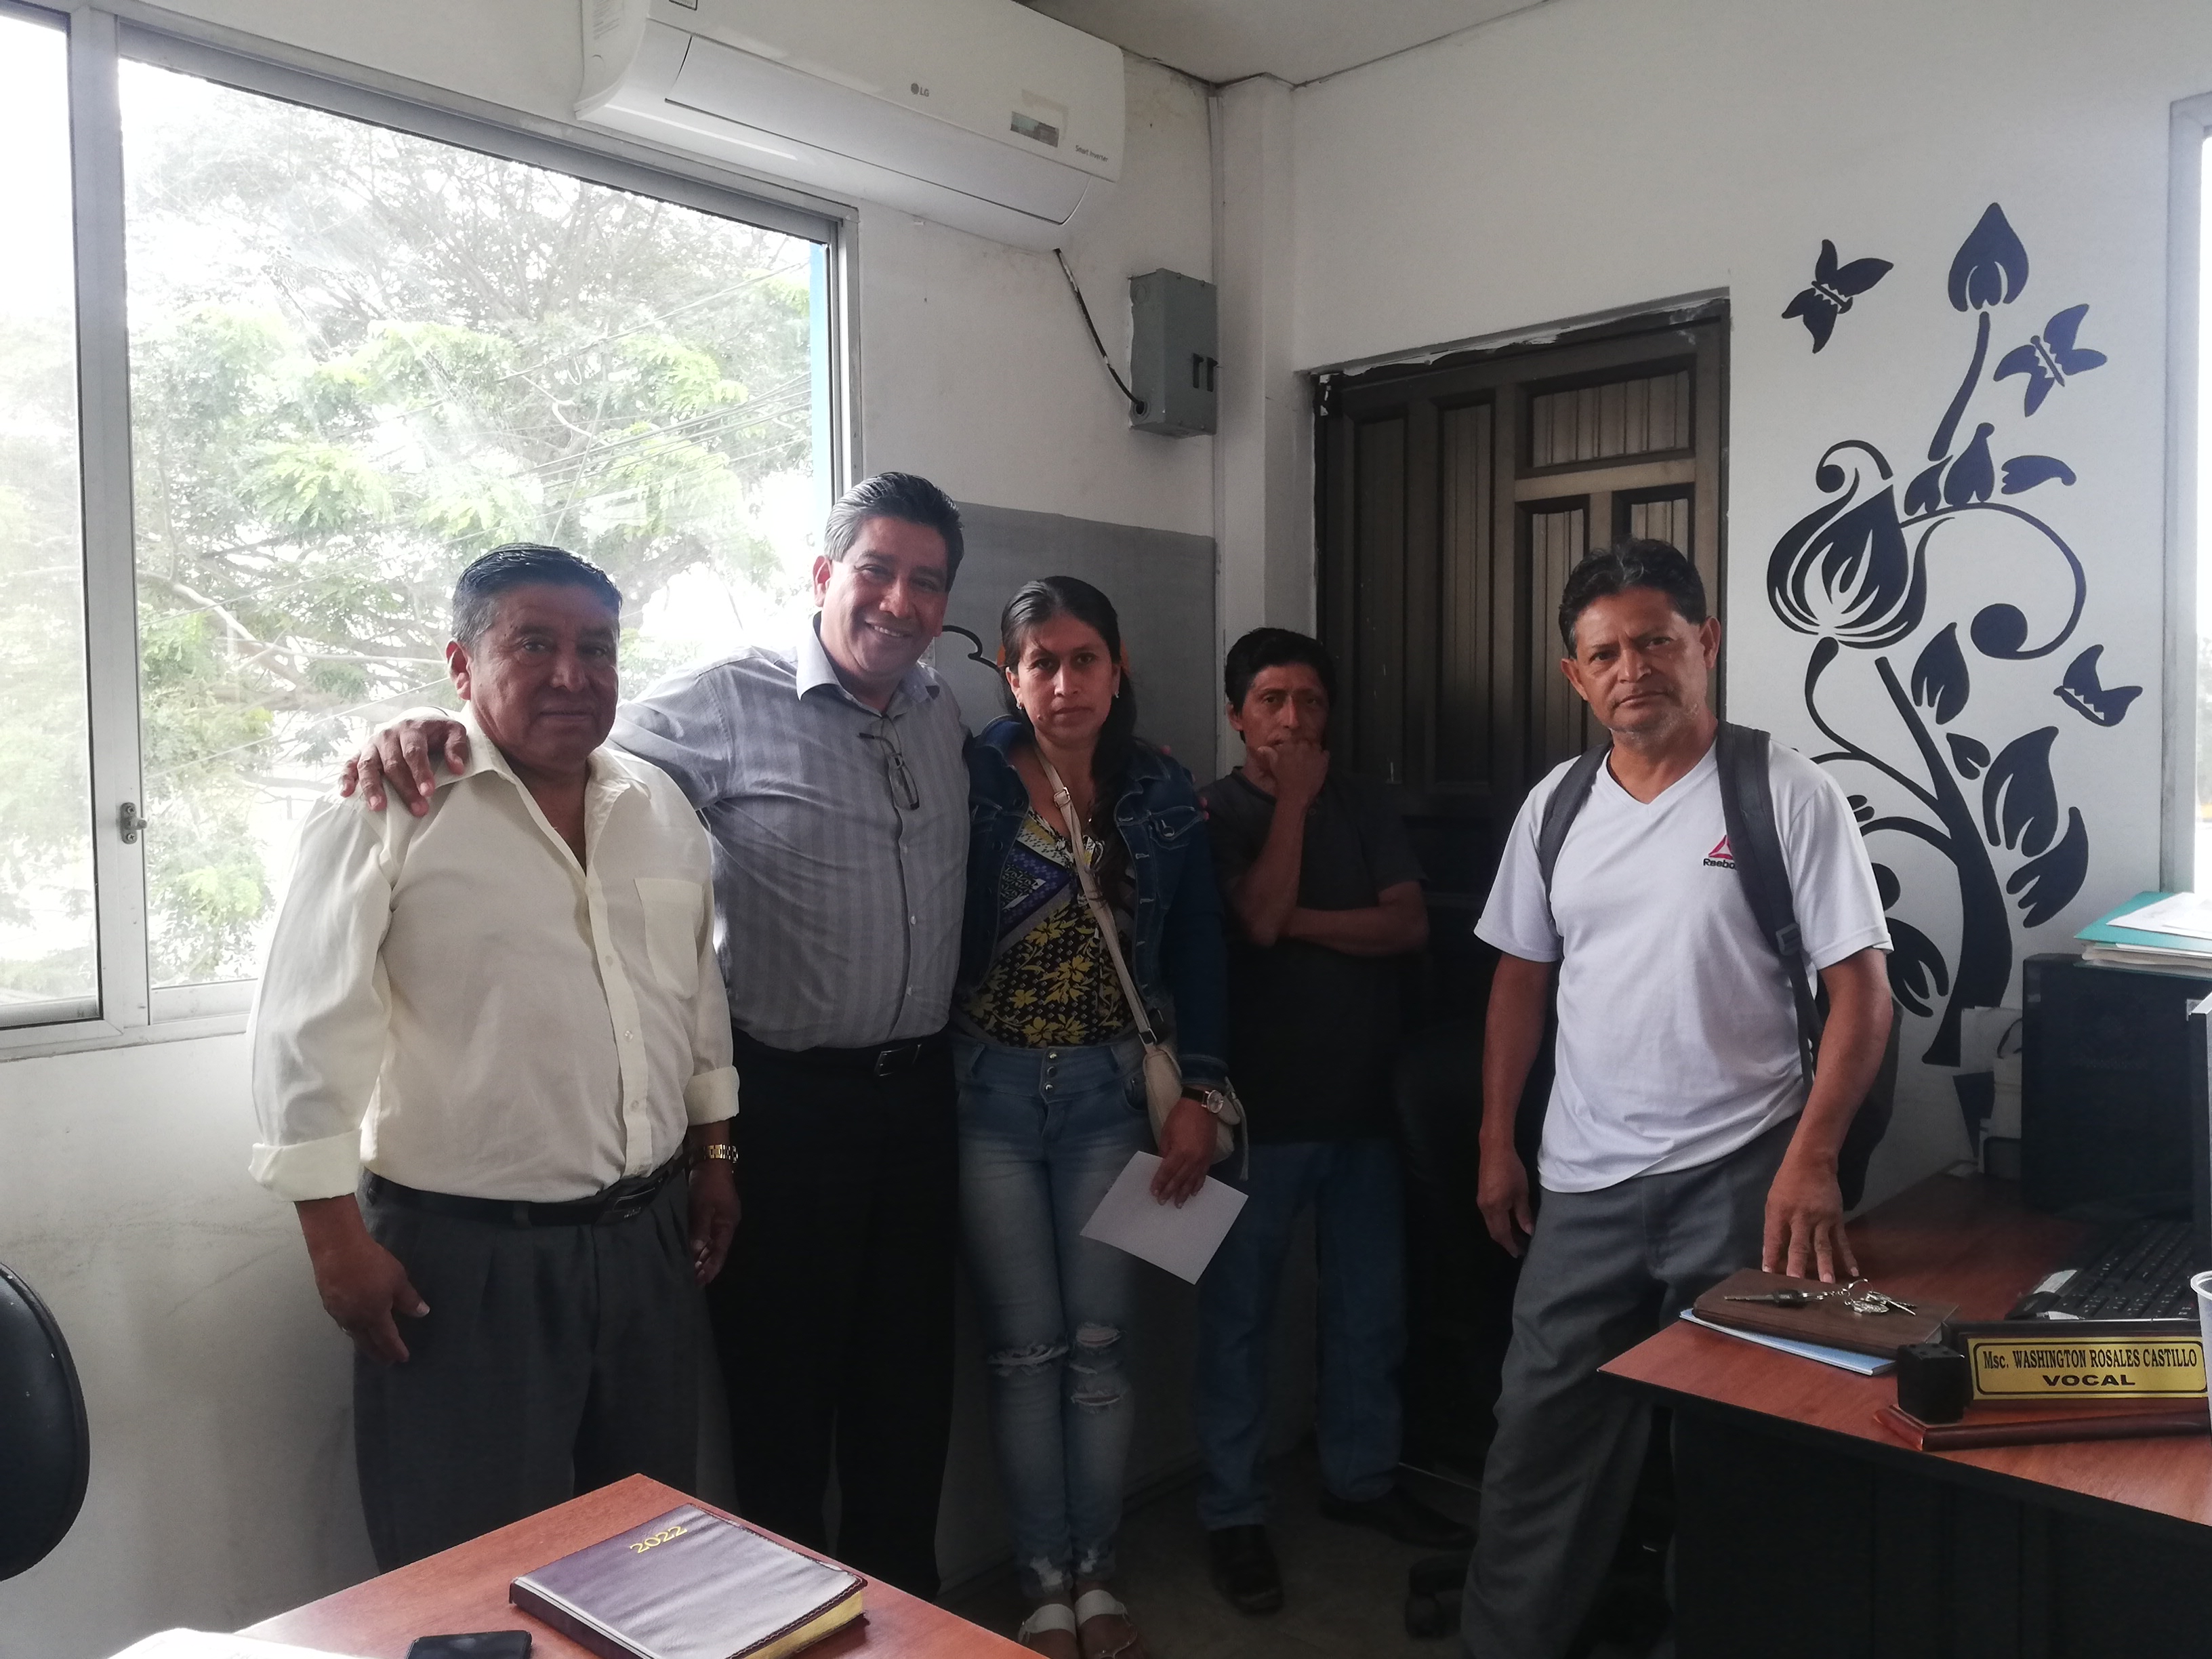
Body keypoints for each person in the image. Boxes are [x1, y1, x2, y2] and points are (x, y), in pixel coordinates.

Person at [341, 474, 970, 1596]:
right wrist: (424, 728)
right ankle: (787, 1620)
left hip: (921, 1102)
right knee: (783, 1399)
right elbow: (552, 742)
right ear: (824, 574)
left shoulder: (942, 711)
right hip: (791, 1103)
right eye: (876, 569)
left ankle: (907, 1621)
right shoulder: (721, 702)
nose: (899, 601)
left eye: (927, 582)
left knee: (910, 1388)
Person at [250, 544, 740, 1571]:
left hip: (646, 1245)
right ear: (461, 664)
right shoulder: (388, 807)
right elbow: (305, 1028)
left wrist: (714, 1157)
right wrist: (333, 1240)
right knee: (470, 1574)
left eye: (596, 648)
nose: (572, 673)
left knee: (652, 1558)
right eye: (534, 644)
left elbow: (694, 997)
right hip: (464, 1262)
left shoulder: (658, 807)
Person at [1461, 540, 1893, 1659]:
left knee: (1740, 1456)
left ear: (1706, 642)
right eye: (1605, 653)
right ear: (1576, 676)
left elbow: (1863, 993)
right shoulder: (1557, 807)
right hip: (1583, 1187)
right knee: (1539, 1441)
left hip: (1746, 1179)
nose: (1633, 669)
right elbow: (1519, 979)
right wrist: (1497, 1140)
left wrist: (1813, 1159)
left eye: (1655, 641)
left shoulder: (1781, 791)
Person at [956, 577, 1229, 1659]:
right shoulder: (973, 776)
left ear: (1118, 671)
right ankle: (1042, 1582)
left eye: (1085, 660)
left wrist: (1201, 1092)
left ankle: (1097, 1571)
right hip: (989, 1103)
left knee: (1103, 1349)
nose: (1065, 682)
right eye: (1043, 662)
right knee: (1025, 1354)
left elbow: (1199, 946)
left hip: (1113, 1102)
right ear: (1011, 674)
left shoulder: (1158, 788)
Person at [1193, 627, 1471, 1617]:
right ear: (1238, 715)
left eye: (1310, 702)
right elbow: (1254, 914)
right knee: (1238, 1324)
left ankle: (1361, 1480)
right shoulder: (1212, 813)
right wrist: (1293, 809)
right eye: (1272, 701)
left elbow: (1407, 924)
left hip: (1366, 1109)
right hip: (1254, 1120)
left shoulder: (1366, 803)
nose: (1294, 720)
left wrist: (1295, 924)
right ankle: (1233, 1514)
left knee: (1369, 1313)